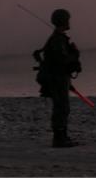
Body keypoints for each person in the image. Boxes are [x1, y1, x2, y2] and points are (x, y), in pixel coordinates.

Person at [33, 8, 82, 147]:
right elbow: (62, 60)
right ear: (63, 21)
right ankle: (59, 138)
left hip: (60, 77)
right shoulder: (57, 40)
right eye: (67, 19)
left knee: (62, 107)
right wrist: (75, 53)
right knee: (61, 107)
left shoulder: (58, 38)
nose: (69, 22)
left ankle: (62, 137)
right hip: (57, 78)